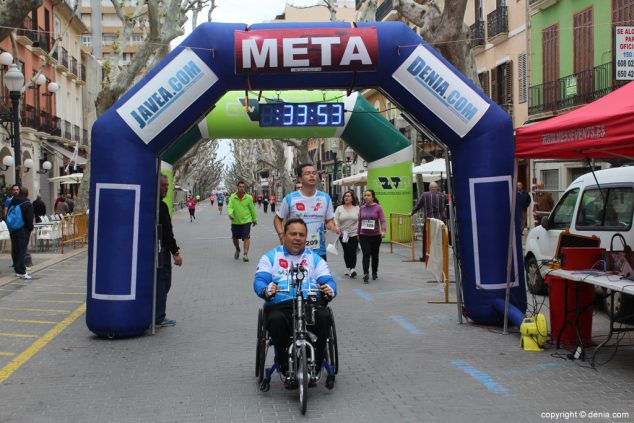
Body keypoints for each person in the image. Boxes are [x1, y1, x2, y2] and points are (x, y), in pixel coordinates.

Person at [253, 218, 336, 385]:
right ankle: (284, 366)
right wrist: (266, 290)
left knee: (325, 316)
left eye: (301, 235)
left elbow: (327, 279)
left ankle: (317, 365)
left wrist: (329, 289)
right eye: (293, 234)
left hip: (310, 303)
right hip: (280, 304)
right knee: (275, 320)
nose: (297, 238)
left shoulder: (315, 259)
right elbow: (260, 280)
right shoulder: (270, 257)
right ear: (284, 236)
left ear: (306, 238)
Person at [274, 164, 339, 260]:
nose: (312, 176)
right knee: (297, 275)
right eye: (307, 173)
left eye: (314, 173)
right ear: (300, 179)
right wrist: (281, 235)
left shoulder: (325, 198)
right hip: (295, 250)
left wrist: (333, 226)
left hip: (318, 251)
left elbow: (329, 220)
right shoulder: (290, 198)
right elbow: (278, 219)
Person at [157, 174, 183, 327]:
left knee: (162, 283)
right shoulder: (161, 206)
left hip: (161, 249)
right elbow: (167, 232)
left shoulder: (159, 204)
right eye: (163, 185)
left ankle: (157, 314)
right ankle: (158, 316)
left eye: (167, 185)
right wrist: (176, 253)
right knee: (164, 282)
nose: (167, 188)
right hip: (162, 251)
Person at [411, 181, 448, 262]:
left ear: (429, 188)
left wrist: (412, 212)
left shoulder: (425, 195)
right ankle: (440, 256)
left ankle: (425, 257)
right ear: (437, 188)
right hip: (441, 222)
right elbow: (450, 201)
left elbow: (418, 205)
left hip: (429, 222)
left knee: (427, 239)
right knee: (440, 240)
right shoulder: (443, 195)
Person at [358, 189, 386, 283]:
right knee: (366, 254)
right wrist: (358, 233)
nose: (366, 197)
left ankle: (374, 271)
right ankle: (366, 273)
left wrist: (383, 231)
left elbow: (383, 220)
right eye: (365, 195)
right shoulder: (361, 207)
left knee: (374, 255)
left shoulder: (378, 207)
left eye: (368, 195)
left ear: (373, 197)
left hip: (375, 235)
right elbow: (359, 221)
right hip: (364, 235)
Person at [227, 180, 257, 262]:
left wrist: (254, 219)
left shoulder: (249, 198)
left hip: (246, 221)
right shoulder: (232, 197)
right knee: (234, 238)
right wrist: (230, 214)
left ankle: (245, 254)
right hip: (235, 221)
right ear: (237, 187)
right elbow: (230, 207)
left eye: (243, 187)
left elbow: (252, 209)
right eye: (240, 187)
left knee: (246, 237)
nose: (242, 188)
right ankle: (237, 249)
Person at [8, 187, 34, 280]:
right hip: (23, 230)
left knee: (15, 250)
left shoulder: (13, 202)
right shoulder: (27, 204)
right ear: (27, 194)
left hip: (13, 229)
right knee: (22, 250)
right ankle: (22, 272)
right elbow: (29, 219)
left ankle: (17, 270)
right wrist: (30, 228)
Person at [334, 190, 360, 278]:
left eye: (348, 196)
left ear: (352, 198)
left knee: (352, 251)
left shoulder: (357, 208)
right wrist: (337, 227)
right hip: (343, 234)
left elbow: (360, 220)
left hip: (354, 233)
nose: (346, 197)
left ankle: (353, 269)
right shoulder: (339, 208)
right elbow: (335, 219)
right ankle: (348, 267)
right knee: (346, 251)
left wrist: (360, 231)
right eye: (345, 196)